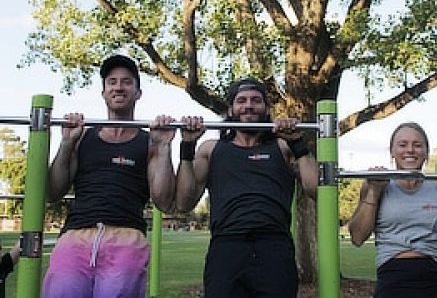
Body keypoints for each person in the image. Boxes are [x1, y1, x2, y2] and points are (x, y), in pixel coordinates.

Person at [43, 54, 177, 297]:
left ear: (138, 92)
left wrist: (165, 147)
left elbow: (164, 200)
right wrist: (66, 144)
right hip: (76, 236)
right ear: (103, 92)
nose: (118, 87)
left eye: (126, 82)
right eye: (112, 82)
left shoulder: (149, 143)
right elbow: (53, 192)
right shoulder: (82, 137)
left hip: (126, 239)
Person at [175, 77, 318, 298]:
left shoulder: (282, 147)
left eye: (256, 100)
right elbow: (184, 203)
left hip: (274, 246)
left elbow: (316, 189)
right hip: (227, 247)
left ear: (266, 108)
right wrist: (187, 146)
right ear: (231, 109)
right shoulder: (211, 149)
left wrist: (297, 143)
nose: (248, 105)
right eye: (241, 101)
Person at [348, 122, 437, 298]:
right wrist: (374, 192)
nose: (410, 150)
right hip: (392, 277)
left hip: (433, 277)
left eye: (417, 145)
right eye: (402, 144)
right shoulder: (376, 183)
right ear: (392, 152)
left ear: (426, 153)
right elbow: (358, 237)